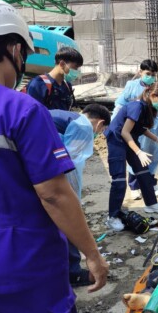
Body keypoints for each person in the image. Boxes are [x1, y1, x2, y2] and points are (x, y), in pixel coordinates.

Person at [0, 0, 109, 313]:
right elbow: (55, 194)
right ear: (13, 50)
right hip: (26, 264)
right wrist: (92, 254)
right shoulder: (20, 110)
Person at [50, 104, 111, 286]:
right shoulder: (84, 126)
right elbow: (70, 164)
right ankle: (73, 272)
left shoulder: (66, 118)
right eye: (102, 131)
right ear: (100, 123)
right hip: (53, 179)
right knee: (68, 218)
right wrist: (73, 199)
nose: (98, 134)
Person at [105, 82, 158, 231]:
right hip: (117, 139)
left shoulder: (148, 108)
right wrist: (139, 152)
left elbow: (141, 129)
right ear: (153, 95)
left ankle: (151, 204)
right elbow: (124, 132)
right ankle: (112, 216)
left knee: (143, 171)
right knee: (119, 179)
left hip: (130, 139)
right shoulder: (137, 106)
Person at [26, 46, 83, 110]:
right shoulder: (39, 83)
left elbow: (73, 109)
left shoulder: (67, 86)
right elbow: (32, 111)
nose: (76, 71)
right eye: (75, 67)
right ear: (62, 64)